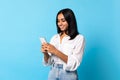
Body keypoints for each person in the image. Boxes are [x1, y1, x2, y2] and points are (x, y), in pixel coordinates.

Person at [41, 8, 85, 80]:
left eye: (63, 21)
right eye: (58, 21)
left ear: (70, 21)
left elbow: (74, 63)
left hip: (68, 74)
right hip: (53, 72)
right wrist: (45, 53)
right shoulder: (54, 38)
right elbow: (48, 62)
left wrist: (55, 51)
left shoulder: (79, 38)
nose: (60, 24)